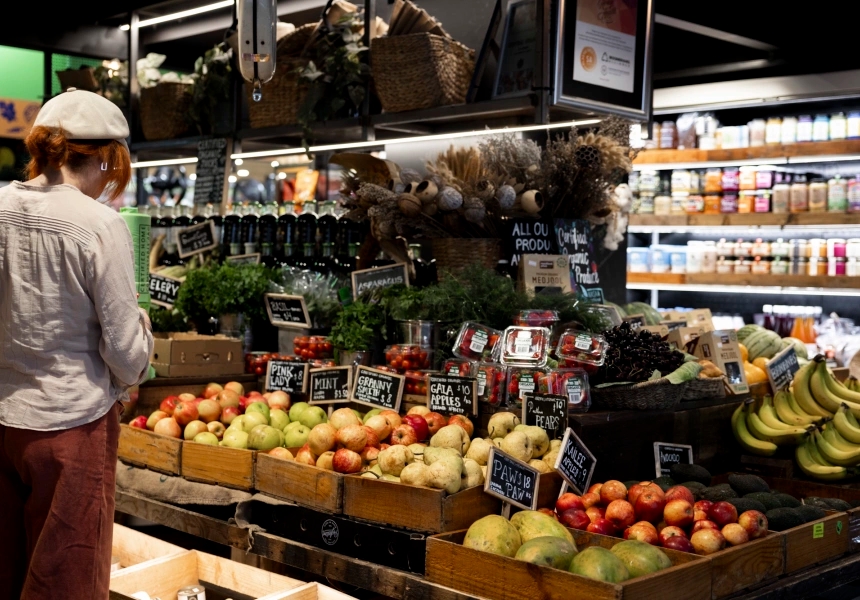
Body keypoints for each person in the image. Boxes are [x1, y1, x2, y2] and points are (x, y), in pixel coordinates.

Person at [0, 89, 153, 600]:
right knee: (65, 581)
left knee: (7, 571)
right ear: (108, 155)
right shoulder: (98, 224)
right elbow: (128, 357)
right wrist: (144, 326)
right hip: (72, 426)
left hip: (3, 418)